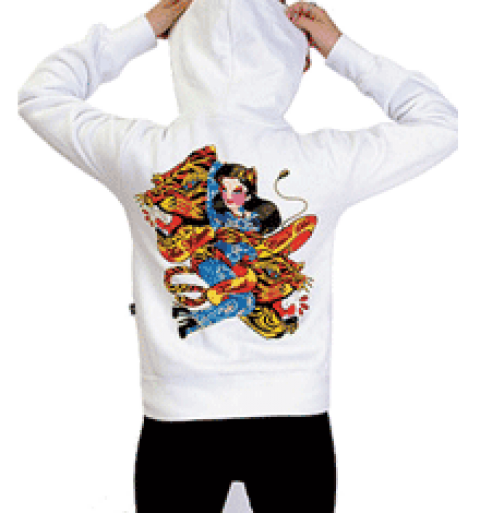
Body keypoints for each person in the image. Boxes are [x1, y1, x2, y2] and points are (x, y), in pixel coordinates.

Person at [18, 0, 458, 511]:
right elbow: (439, 124)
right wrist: (340, 48)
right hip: (293, 419)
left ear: (182, 55)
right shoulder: (321, 161)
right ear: (295, 61)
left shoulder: (142, 152)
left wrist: (145, 27)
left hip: (177, 419)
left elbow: (41, 93)